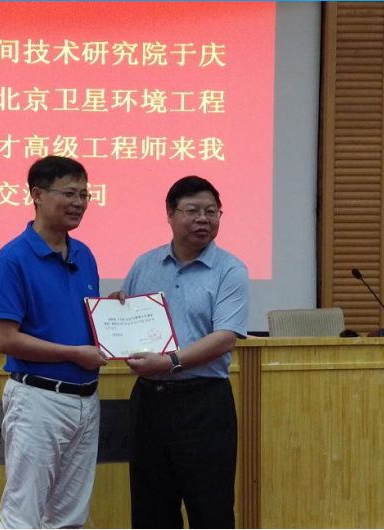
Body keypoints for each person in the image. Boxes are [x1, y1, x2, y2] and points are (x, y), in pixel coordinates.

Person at [114, 176, 249, 529]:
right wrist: (115, 311)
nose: (203, 219)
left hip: (204, 403)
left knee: (211, 510)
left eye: (211, 211)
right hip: (149, 403)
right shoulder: (145, 265)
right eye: (192, 211)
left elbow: (225, 337)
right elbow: (125, 321)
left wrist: (170, 361)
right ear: (170, 214)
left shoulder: (230, 270)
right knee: (151, 511)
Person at [0, 155, 108, 529]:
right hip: (38, 399)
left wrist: (115, 314)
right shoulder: (13, 258)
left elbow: (78, 320)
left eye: (85, 194)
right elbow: (5, 339)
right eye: (69, 193)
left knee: (70, 516)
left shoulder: (85, 254)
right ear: (37, 195)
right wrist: (74, 354)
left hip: (86, 399)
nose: (79, 203)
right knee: (24, 512)